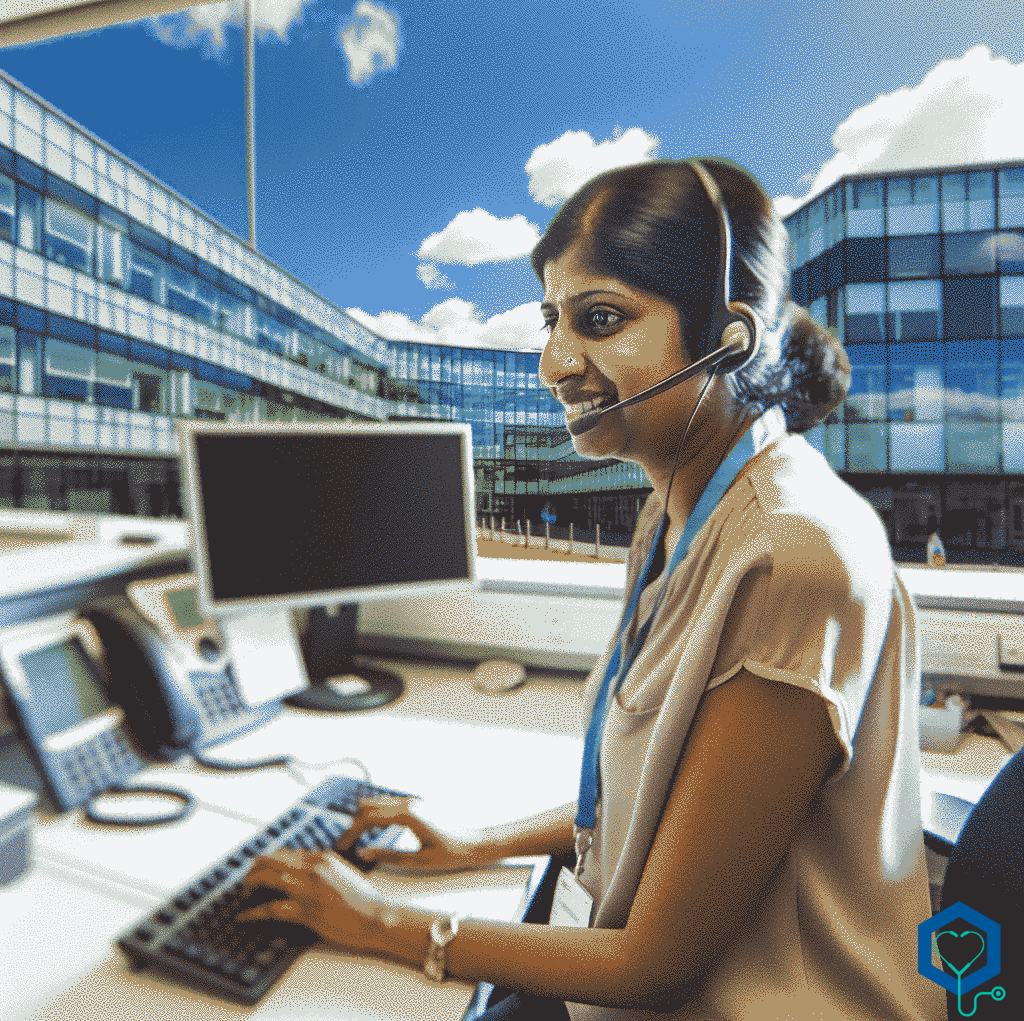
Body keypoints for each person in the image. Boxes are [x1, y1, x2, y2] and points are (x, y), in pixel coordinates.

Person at [236, 159, 944, 1020]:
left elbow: (655, 963)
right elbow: (644, 796)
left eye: (601, 320)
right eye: (551, 321)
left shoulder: (790, 556)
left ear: (729, 337)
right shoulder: (671, 519)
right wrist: (471, 843)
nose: (554, 363)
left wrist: (381, 919)